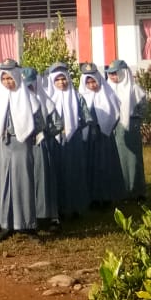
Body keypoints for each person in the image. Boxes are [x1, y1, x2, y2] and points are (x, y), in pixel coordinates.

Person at [0, 60, 43, 242]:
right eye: (3, 78)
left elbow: (40, 122)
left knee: (23, 184)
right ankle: (5, 225)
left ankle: (27, 225)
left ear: (17, 77)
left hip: (22, 144)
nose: (7, 82)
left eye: (10, 78)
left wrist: (34, 135)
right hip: (3, 144)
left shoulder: (29, 98)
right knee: (3, 184)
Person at [45, 63, 90, 219]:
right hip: (55, 142)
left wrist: (74, 125)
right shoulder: (48, 98)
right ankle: (59, 208)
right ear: (52, 81)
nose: (61, 83)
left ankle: (75, 207)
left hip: (73, 141)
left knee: (74, 172)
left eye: (63, 79)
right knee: (57, 173)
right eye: (57, 80)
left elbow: (86, 118)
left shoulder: (77, 96)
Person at [78, 62, 125, 207]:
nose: (92, 85)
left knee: (104, 165)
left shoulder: (107, 93)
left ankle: (106, 196)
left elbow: (115, 111)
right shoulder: (81, 96)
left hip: (103, 137)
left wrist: (105, 124)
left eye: (94, 81)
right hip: (87, 139)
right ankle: (91, 197)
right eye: (89, 82)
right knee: (89, 165)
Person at [24, 67, 62, 232]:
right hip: (24, 147)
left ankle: (47, 215)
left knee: (43, 180)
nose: (28, 89)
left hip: (40, 147)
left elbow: (59, 124)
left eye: (30, 85)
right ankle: (29, 215)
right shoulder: (20, 102)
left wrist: (46, 133)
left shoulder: (46, 102)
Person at [106, 59, 147, 201]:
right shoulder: (108, 88)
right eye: (110, 74)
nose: (112, 77)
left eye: (115, 73)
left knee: (133, 158)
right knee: (117, 158)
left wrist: (134, 121)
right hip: (114, 127)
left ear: (123, 73)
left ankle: (137, 191)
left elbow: (143, 108)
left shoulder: (134, 89)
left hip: (131, 126)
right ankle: (121, 190)